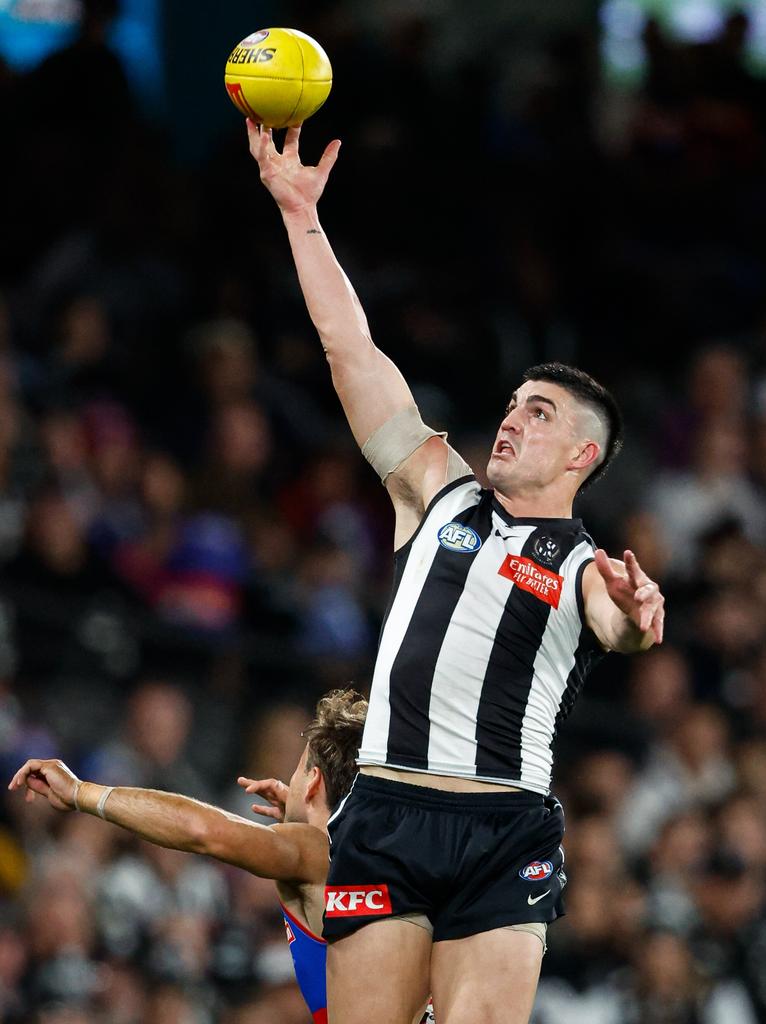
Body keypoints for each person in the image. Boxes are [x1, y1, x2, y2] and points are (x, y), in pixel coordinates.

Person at [247, 119, 666, 1024]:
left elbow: (614, 624)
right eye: (514, 403)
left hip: (505, 829)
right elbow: (350, 353)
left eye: (540, 413)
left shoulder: (585, 562)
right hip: (387, 810)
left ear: (581, 455)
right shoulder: (436, 492)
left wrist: (638, 613)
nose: (512, 419)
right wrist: (298, 216)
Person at [9, 689, 423, 1024]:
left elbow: (203, 831)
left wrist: (83, 792)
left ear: (314, 782)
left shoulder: (313, 850)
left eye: (297, 772)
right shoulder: (403, 855)